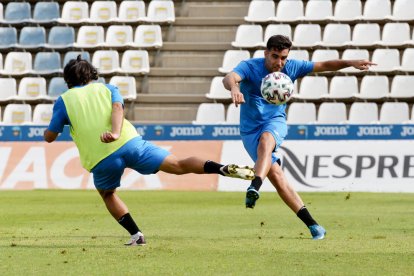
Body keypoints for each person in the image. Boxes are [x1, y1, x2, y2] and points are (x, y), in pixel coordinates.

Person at [44, 55, 255, 246]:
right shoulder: (108, 88)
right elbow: (118, 108)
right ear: (92, 74)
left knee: (108, 194)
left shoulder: (64, 100)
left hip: (102, 158)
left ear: (68, 80)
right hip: (131, 143)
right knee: (179, 165)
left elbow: (51, 136)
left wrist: (51, 130)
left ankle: (136, 235)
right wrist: (116, 133)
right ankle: (222, 168)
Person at [222, 35, 376, 240]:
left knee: (267, 141)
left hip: (274, 122)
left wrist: (350, 63)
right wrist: (235, 88)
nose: (279, 62)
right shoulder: (249, 66)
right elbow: (229, 77)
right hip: (249, 131)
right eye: (275, 56)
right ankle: (313, 226)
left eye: (283, 57)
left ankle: (254, 185)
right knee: (276, 177)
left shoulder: (291, 67)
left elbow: (324, 64)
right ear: (266, 53)